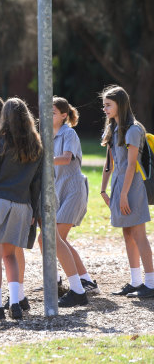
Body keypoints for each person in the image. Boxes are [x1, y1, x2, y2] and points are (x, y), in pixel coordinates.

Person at [0, 97, 43, 320]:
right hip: (23, 204)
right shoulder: (36, 144)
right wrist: (34, 211)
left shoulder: (1, 142)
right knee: (11, 255)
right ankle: (15, 302)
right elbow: (37, 183)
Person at [100, 85, 154, 298]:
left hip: (132, 187)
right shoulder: (113, 128)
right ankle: (135, 281)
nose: (104, 109)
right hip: (119, 185)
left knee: (139, 234)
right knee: (127, 232)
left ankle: (150, 284)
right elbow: (110, 162)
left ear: (120, 104)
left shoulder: (133, 129)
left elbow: (131, 165)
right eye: (103, 105)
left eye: (108, 105)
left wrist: (123, 194)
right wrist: (104, 190)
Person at [51, 97, 99, 294]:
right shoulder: (46, 135)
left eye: (52, 112)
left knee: (54, 239)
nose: (46, 115)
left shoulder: (68, 133)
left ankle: (79, 283)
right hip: (58, 191)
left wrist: (40, 158)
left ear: (64, 115)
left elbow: (65, 158)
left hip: (73, 190)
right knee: (51, 239)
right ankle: (78, 280)